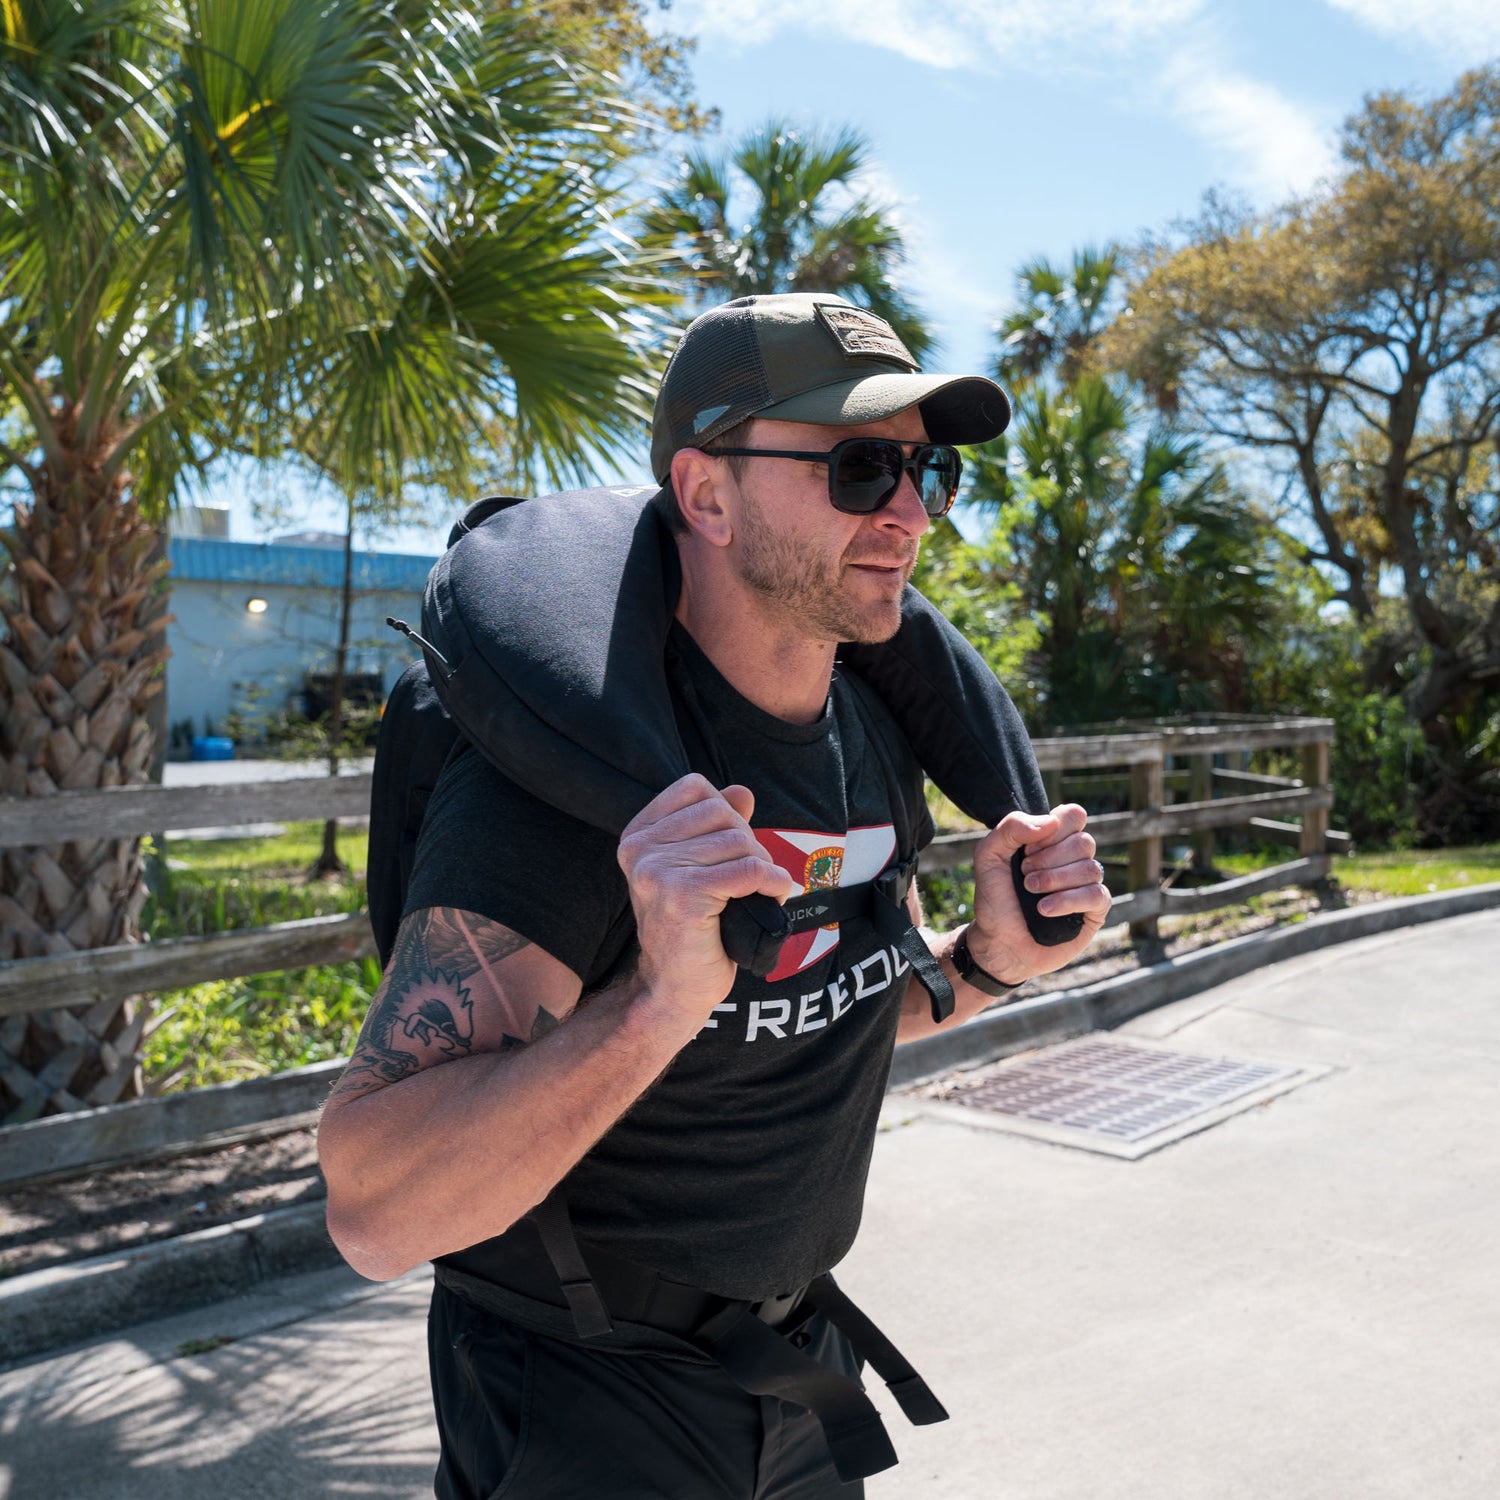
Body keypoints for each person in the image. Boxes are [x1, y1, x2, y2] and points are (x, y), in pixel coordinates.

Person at [318, 292, 1111, 1498]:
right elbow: (374, 1210)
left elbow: (807, 1019)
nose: (909, 514)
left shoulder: (868, 733)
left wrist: (987, 963)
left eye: (924, 471)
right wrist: (652, 1004)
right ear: (705, 492)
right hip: (584, 1398)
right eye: (857, 468)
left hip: (795, 1366)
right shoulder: (573, 780)